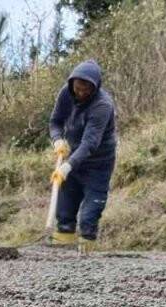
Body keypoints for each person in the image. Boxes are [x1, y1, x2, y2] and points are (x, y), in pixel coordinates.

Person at [49, 60, 117, 255]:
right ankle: (62, 259)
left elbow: (90, 143)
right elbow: (55, 121)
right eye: (78, 88)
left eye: (86, 89)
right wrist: (57, 141)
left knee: (88, 217)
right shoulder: (66, 93)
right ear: (72, 84)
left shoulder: (102, 106)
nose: (81, 93)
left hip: (98, 164)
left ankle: (86, 262)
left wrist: (66, 168)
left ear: (95, 87)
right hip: (72, 159)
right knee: (64, 213)